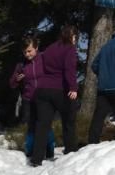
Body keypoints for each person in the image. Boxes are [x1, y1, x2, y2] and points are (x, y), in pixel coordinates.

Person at [31, 24, 79, 166]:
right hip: (59, 89)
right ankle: (71, 153)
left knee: (42, 125)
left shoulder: (50, 48)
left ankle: (36, 158)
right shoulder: (69, 48)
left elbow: (43, 65)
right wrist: (73, 87)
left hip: (43, 89)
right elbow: (69, 69)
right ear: (73, 36)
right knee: (69, 121)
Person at [8, 33, 55, 160]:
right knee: (31, 126)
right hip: (28, 99)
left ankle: (50, 149)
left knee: (45, 125)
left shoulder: (44, 59)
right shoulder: (21, 65)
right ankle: (30, 151)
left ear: (36, 47)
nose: (27, 54)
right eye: (25, 52)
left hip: (44, 98)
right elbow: (12, 83)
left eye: (29, 51)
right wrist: (17, 79)